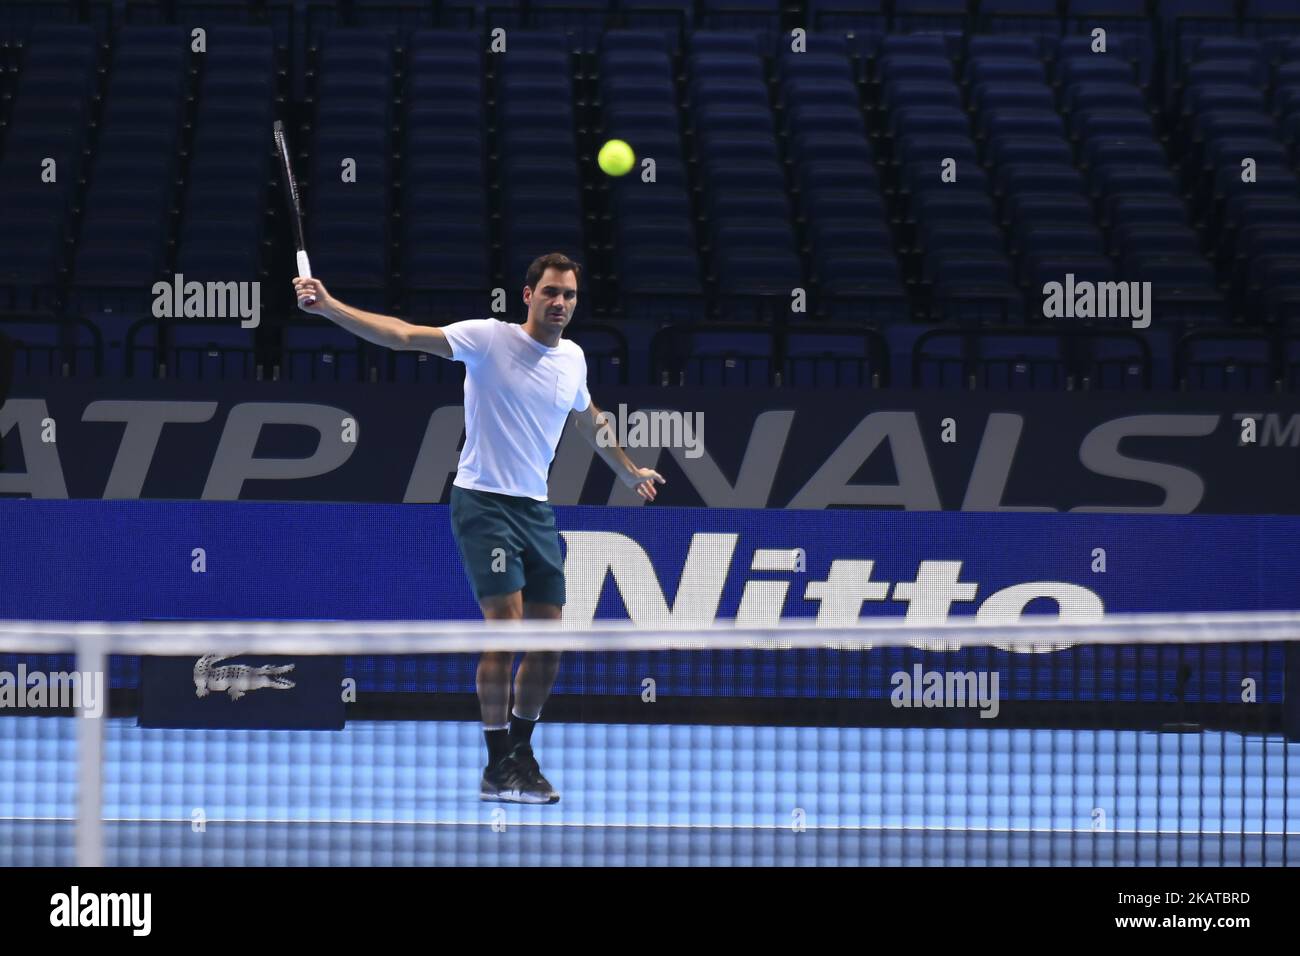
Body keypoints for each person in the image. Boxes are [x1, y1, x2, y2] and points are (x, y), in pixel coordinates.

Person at [293, 252, 664, 803]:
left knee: (547, 645)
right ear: (527, 295)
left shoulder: (575, 360)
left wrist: (629, 471)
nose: (560, 303)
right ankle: (497, 761)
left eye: (569, 295)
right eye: (550, 293)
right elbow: (401, 336)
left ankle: (517, 755)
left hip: (535, 510)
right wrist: (329, 308)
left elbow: (590, 421)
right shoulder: (488, 338)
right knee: (507, 630)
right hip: (483, 503)